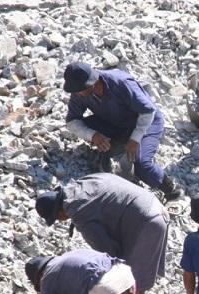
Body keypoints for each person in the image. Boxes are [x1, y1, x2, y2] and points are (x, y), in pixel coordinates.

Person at [35, 173, 169, 294]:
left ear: (59, 213)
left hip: (147, 223)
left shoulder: (80, 212)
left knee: (132, 279)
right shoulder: (81, 183)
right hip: (150, 206)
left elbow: (109, 254)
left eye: (57, 218)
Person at [63, 61, 181, 200]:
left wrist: (135, 139)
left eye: (81, 90)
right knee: (86, 125)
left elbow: (148, 111)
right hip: (115, 122)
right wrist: (93, 135)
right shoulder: (79, 93)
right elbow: (72, 121)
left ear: (92, 83)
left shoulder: (120, 83)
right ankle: (111, 150)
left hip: (145, 122)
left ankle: (170, 189)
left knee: (141, 164)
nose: (78, 94)